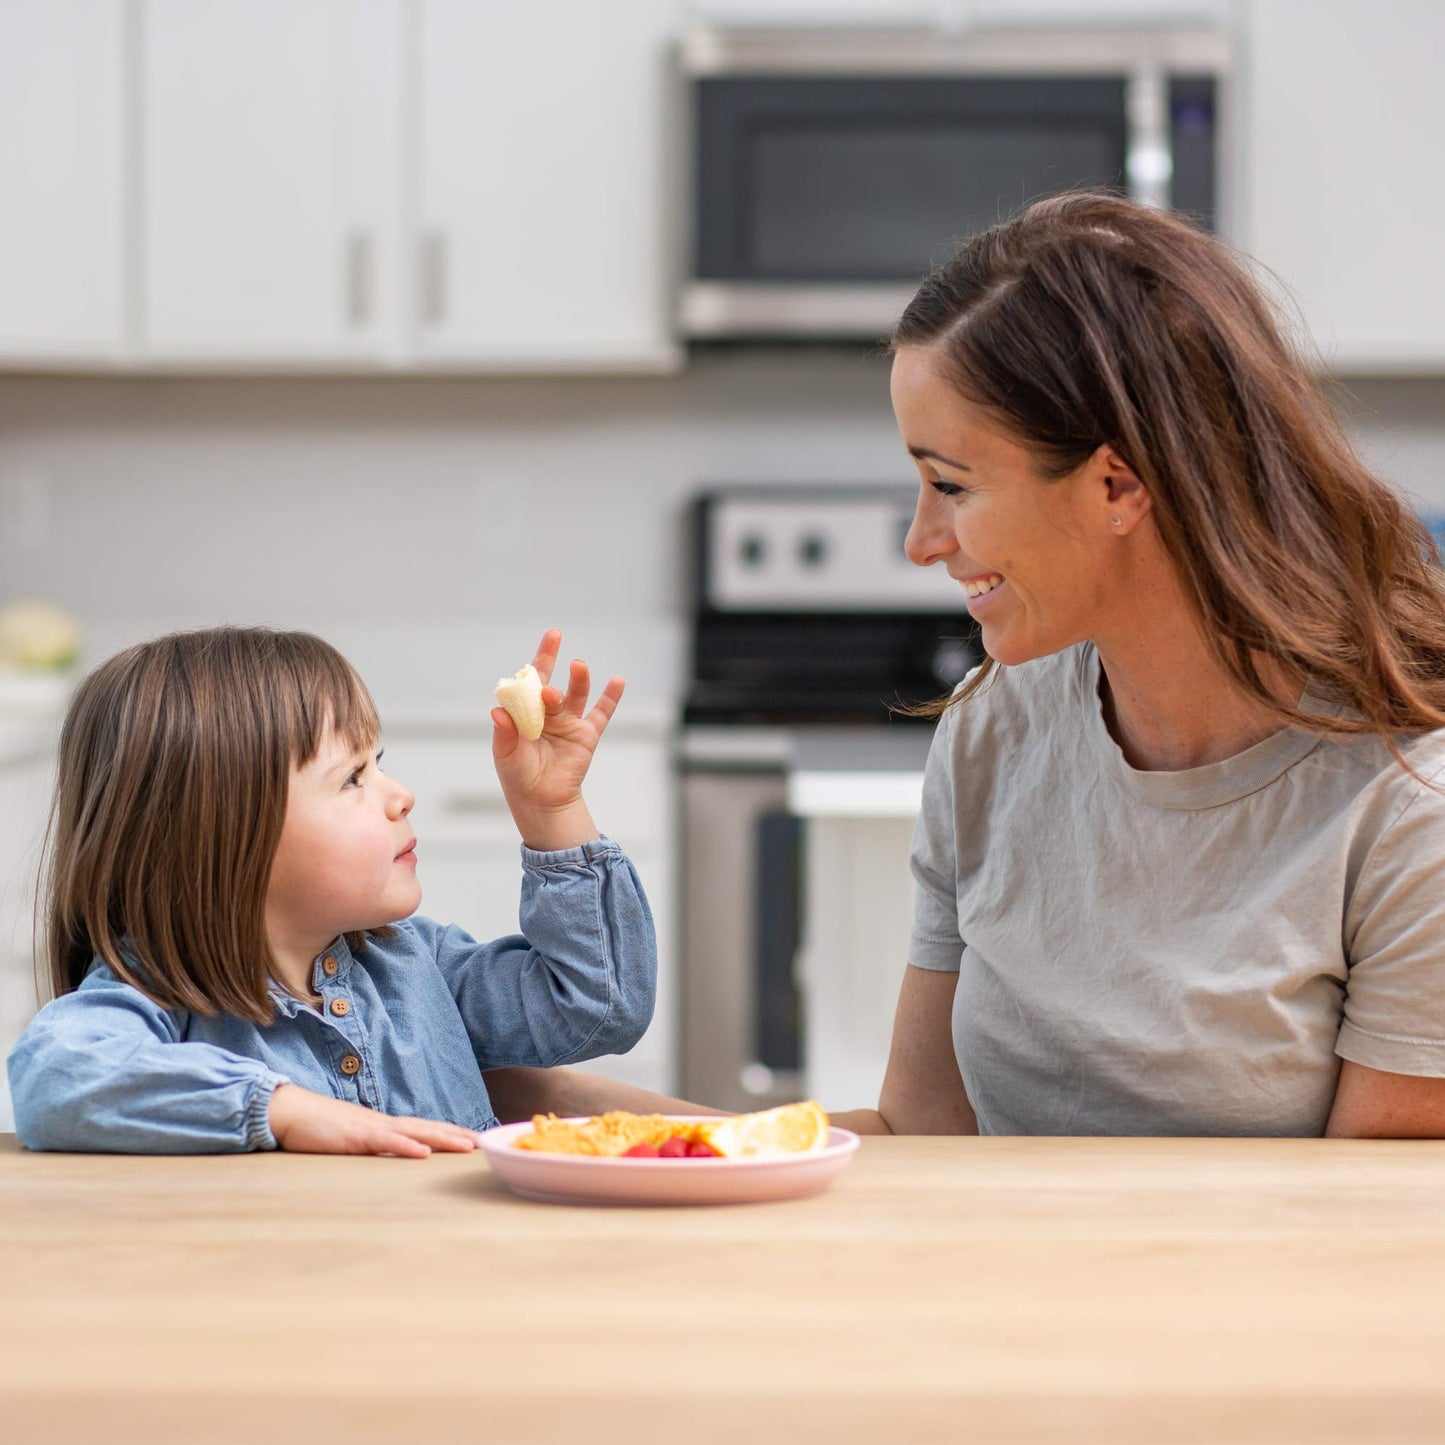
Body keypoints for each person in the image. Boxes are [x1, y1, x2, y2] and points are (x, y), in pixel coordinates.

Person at [487, 190, 1445, 1140]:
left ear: (1117, 484)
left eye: (949, 484)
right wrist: (534, 1097)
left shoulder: (1407, 802)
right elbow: (925, 1136)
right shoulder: (999, 725)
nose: (919, 541)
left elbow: (1355, 1230)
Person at [7, 626, 656, 1155]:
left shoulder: (415, 963)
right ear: (227, 835)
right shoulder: (161, 991)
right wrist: (278, 1108)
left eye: (379, 762)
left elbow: (596, 1004)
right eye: (352, 777)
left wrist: (552, 812)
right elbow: (56, 1074)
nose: (400, 794)